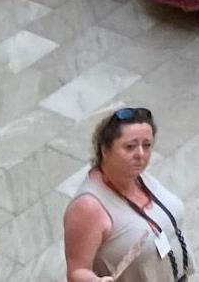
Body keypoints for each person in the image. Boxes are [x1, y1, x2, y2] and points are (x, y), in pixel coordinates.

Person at [63, 108, 190, 282]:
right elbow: (77, 271)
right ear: (105, 150)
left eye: (147, 145)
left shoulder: (139, 177)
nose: (140, 154)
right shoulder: (88, 207)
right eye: (130, 147)